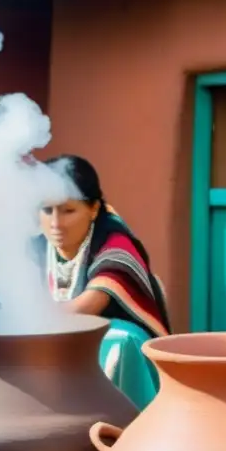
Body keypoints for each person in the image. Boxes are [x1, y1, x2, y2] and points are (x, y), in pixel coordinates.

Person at [36, 154, 171, 409]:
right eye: (47, 210)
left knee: (121, 339)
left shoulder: (116, 245)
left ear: (94, 209)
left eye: (68, 211)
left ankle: (126, 429)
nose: (55, 223)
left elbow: (85, 308)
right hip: (59, 344)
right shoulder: (34, 245)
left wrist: (25, 320)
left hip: (115, 355)